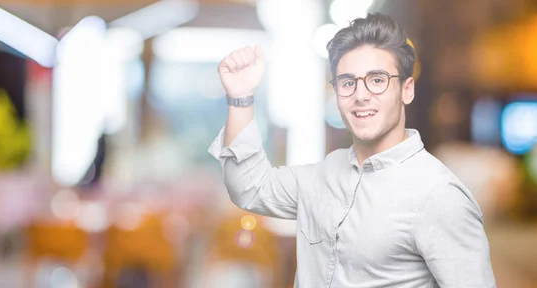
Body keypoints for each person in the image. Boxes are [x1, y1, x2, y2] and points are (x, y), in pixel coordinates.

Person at [208, 12, 496, 288]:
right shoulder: (323, 174)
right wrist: (241, 97)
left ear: (407, 90)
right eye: (348, 82)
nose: (361, 95)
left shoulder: (439, 195)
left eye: (377, 80)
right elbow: (249, 188)